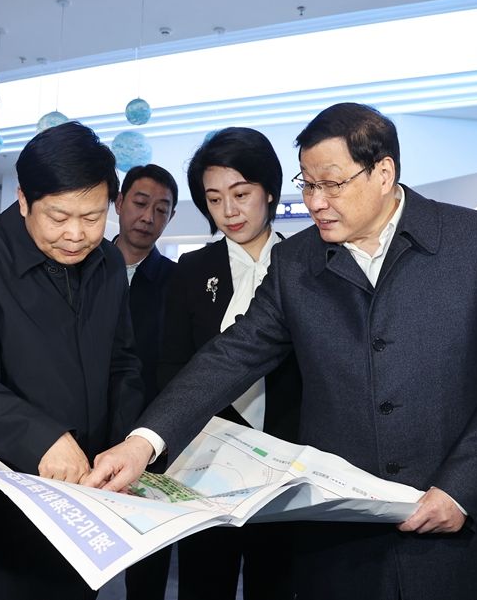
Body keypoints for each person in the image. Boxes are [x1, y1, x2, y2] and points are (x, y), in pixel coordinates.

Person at [86, 103, 477, 600]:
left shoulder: (468, 240)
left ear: (383, 173)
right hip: (343, 545)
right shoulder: (296, 262)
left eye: (332, 184)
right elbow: (230, 355)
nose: (316, 202)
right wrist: (143, 443)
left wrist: (462, 488)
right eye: (307, 185)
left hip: (457, 538)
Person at [0, 121, 145, 600]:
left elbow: (122, 363)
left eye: (92, 217)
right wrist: (43, 438)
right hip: (1, 503)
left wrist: (125, 446)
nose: (76, 234)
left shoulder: (108, 263)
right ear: (24, 200)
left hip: (85, 500)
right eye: (58, 216)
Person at [158, 127, 302, 600]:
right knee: (204, 582)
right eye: (214, 199)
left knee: (277, 583)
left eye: (241, 194)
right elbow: (174, 366)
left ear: (270, 190)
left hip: (288, 464)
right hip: (209, 464)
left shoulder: (308, 264)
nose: (229, 211)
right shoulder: (192, 270)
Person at [111, 163, 178, 600]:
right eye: (140, 203)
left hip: (149, 439)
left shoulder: (177, 281)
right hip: (83, 431)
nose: (148, 217)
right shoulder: (82, 266)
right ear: (119, 203)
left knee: (148, 565)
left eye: (161, 209)